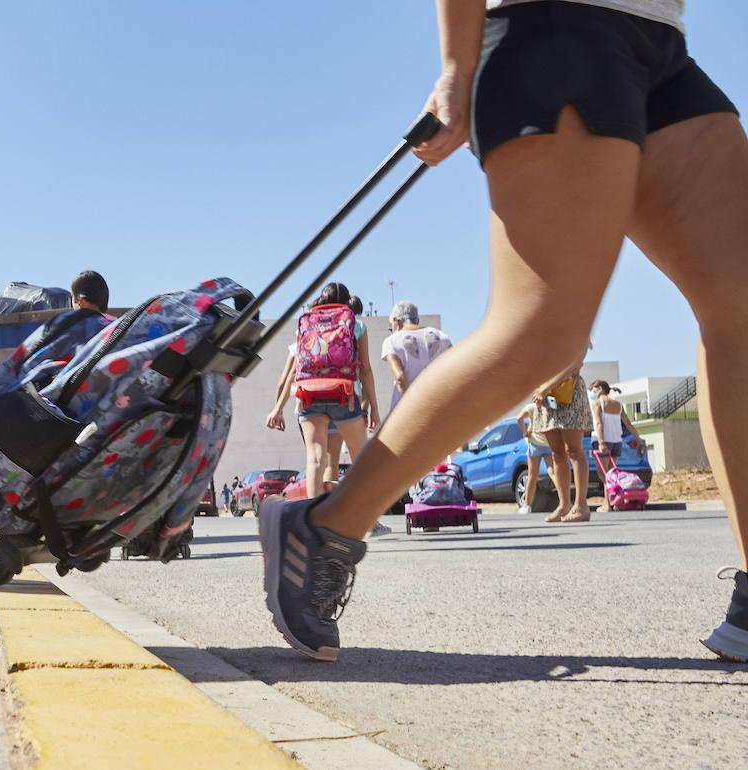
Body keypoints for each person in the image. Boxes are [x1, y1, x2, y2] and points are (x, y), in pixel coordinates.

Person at [260, 0, 748, 663]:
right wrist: (458, 68)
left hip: (662, 44)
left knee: (741, 308)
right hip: (558, 32)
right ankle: (326, 525)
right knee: (544, 332)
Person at [264, 283, 388, 536]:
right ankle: (366, 520)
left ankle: (314, 524)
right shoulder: (355, 323)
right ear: (346, 302)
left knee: (315, 459)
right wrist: (374, 408)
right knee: (361, 460)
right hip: (343, 395)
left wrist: (278, 407)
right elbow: (365, 369)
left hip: (309, 395)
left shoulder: (307, 323)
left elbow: (292, 372)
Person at [532, 362, 593, 522]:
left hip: (569, 391)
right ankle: (564, 504)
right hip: (547, 396)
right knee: (557, 454)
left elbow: (574, 364)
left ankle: (581, 505)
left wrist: (545, 387)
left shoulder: (574, 337)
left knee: (573, 450)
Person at [380, 301, 453, 412]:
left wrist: (414, 407)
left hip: (406, 412)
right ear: (417, 320)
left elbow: (400, 377)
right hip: (439, 407)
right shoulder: (442, 337)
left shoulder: (391, 341)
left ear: (396, 321)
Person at [590, 379, 648, 512]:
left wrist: (601, 442)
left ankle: (607, 504)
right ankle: (612, 501)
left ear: (599, 388)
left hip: (603, 440)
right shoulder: (618, 404)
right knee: (611, 473)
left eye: (593, 388)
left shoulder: (598, 403)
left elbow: (599, 423)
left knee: (603, 474)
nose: (592, 391)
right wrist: (638, 439)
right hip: (617, 441)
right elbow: (628, 424)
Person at [515, 403, 558, 515]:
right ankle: (565, 500)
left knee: (532, 475)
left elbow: (519, 418)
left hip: (535, 442)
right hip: (549, 442)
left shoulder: (531, 407)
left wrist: (525, 432)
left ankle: (527, 506)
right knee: (552, 472)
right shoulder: (551, 404)